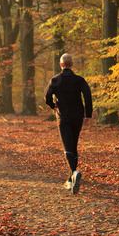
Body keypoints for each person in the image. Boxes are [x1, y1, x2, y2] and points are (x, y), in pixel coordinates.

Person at [44, 53, 93, 194]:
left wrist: (52, 105)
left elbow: (47, 96)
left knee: (67, 147)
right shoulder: (79, 80)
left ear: (61, 65)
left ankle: (73, 173)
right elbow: (88, 96)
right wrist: (88, 114)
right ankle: (71, 180)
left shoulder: (55, 80)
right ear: (72, 64)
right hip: (77, 116)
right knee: (73, 145)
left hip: (63, 116)